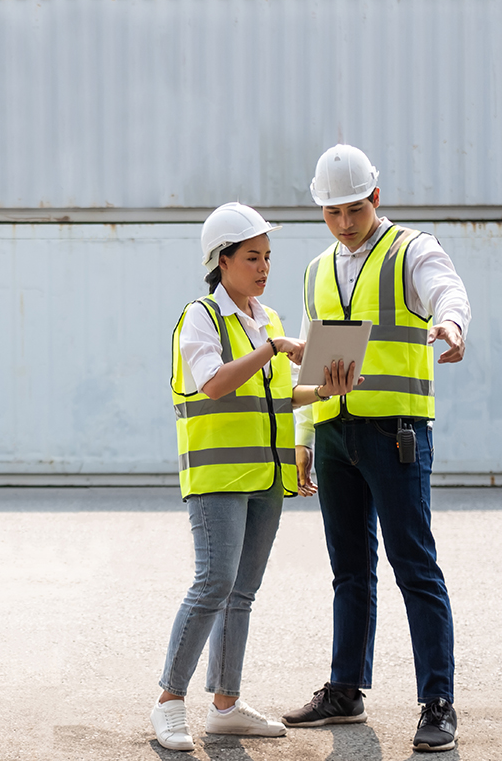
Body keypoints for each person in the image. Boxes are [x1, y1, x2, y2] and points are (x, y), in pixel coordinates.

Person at [151, 202, 361, 752]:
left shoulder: (266, 319)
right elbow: (214, 384)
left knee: (240, 592)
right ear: (221, 261)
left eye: (268, 257)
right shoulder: (201, 316)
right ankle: (170, 701)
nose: (264, 268)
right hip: (218, 478)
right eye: (252, 257)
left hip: (266, 478)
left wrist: (324, 391)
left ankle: (225, 705)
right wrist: (272, 348)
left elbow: (277, 394)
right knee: (212, 584)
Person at [282, 145, 471, 753]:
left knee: (414, 565)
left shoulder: (412, 249)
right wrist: (306, 436)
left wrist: (451, 324)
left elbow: (448, 290)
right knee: (349, 570)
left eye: (354, 209)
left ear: (377, 199)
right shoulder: (315, 270)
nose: (344, 222)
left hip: (397, 433)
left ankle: (437, 702)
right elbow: (315, 354)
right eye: (332, 212)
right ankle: (345, 689)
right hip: (335, 436)